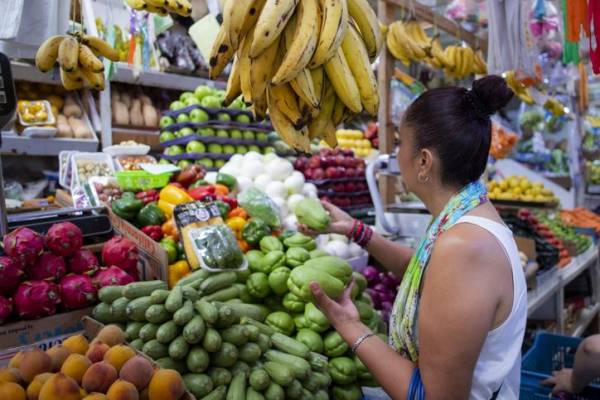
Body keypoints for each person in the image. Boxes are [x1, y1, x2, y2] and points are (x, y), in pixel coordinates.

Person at [300, 75, 526, 399]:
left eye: (399, 144)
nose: (395, 154)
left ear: (423, 161)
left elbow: (435, 397)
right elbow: (425, 271)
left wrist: (350, 326)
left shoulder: (463, 247)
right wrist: (357, 231)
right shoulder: (467, 212)